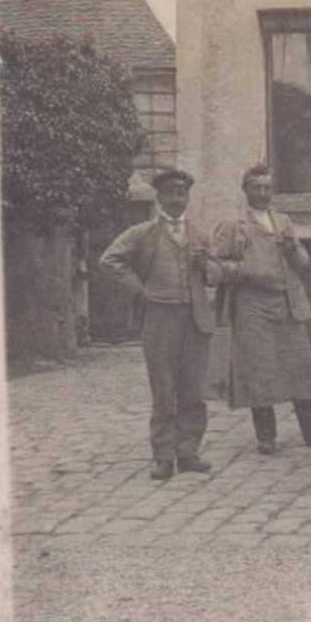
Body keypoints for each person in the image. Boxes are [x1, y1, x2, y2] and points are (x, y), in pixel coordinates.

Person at [99, 169, 217, 481]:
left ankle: (188, 452)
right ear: (159, 197)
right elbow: (109, 261)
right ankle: (163, 456)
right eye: (170, 193)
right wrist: (140, 289)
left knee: (193, 389)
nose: (177, 199)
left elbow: (218, 275)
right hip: (160, 319)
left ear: (188, 197)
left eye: (182, 193)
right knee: (163, 389)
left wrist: (209, 267)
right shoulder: (143, 233)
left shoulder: (201, 235)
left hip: (195, 320)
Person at [209, 164, 311, 455]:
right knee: (259, 370)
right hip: (252, 304)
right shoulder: (234, 225)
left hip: (287, 302)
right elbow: (214, 265)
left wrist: (292, 250)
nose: (262, 193)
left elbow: (305, 265)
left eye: (267, 187)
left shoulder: (283, 221)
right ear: (245, 189)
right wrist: (244, 269)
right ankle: (266, 435)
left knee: (301, 367)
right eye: (256, 187)